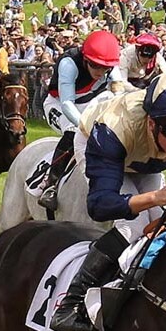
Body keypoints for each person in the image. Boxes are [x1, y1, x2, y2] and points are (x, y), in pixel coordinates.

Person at [49, 71, 166, 331]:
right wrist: (155, 197)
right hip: (101, 144)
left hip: (145, 158)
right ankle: (69, 304)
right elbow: (100, 205)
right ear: (152, 123)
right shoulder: (113, 128)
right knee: (134, 227)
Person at [36, 29, 123, 210]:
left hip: (89, 101)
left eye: (104, 68)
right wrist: (87, 127)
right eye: (95, 66)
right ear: (85, 59)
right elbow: (67, 103)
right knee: (73, 130)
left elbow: (118, 92)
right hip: (59, 104)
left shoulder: (110, 63)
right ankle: (50, 185)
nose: (100, 72)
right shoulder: (69, 63)